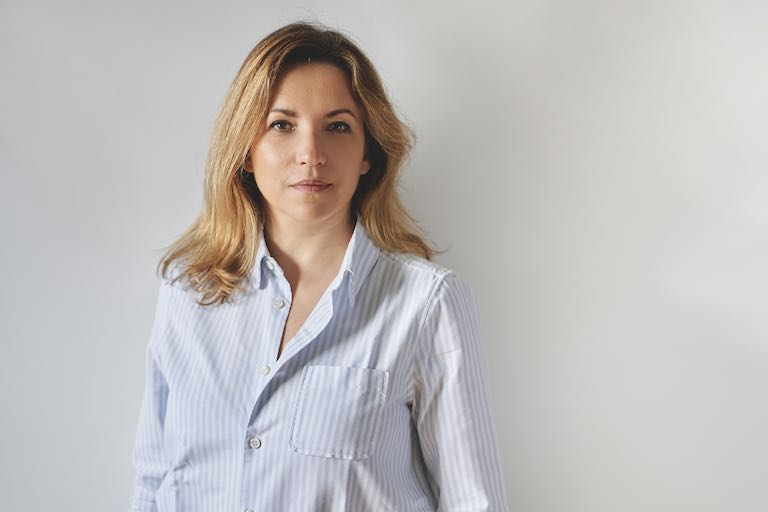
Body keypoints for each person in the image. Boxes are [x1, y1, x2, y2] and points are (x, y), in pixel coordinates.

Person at [128, 20, 509, 512]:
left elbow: (473, 502)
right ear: (246, 151)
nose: (310, 154)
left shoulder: (427, 304)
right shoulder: (187, 292)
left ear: (368, 153)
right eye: (281, 125)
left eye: (337, 127)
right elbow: (153, 483)